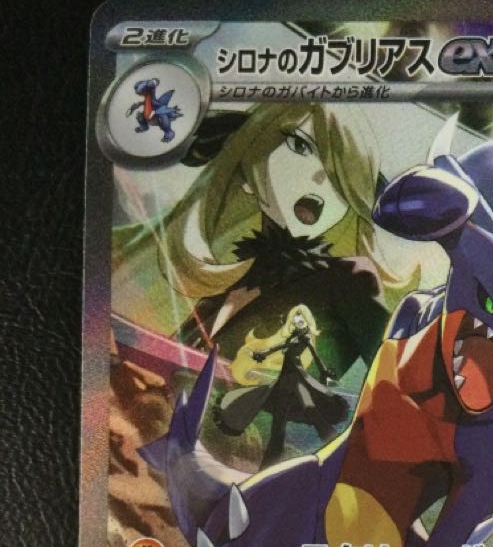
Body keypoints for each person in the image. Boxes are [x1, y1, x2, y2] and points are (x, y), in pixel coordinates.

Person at [113, 102, 420, 380]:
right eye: (300, 146)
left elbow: (403, 382)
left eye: (340, 174)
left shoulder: (349, 279)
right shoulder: (228, 291)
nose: (319, 178)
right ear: (249, 172)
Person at [216, 306, 348, 467]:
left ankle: (337, 455)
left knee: (308, 411)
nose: (298, 321)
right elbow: (277, 348)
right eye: (296, 318)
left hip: (297, 376)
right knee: (279, 427)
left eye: (301, 318)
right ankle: (267, 470)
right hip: (286, 379)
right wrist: (262, 354)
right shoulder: (293, 336)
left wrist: (324, 372)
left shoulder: (305, 337)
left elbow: (315, 355)